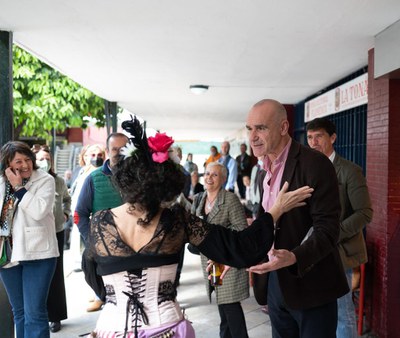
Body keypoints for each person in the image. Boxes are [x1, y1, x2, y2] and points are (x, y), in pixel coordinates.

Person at [84, 116, 313, 338]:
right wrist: (276, 211)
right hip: (167, 330)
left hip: (111, 329)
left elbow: (92, 273)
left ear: (126, 179)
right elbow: (241, 247)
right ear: (167, 183)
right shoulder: (177, 221)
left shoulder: (99, 223)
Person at [245, 99, 349, 338]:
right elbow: (265, 226)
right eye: (249, 128)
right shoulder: (263, 172)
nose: (253, 136)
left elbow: (328, 230)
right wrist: (235, 255)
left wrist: (294, 257)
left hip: (311, 283)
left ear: (283, 128)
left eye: (261, 128)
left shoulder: (315, 164)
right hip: (275, 284)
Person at [306, 117, 373, 338]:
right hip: (312, 251)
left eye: (319, 136)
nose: (313, 142)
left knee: (342, 312)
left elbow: (364, 213)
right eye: (309, 137)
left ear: (333, 138)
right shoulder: (307, 170)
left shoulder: (349, 171)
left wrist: (331, 235)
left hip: (339, 251)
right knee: (317, 310)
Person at [0, 141, 59, 338]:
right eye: (18, 161)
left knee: (34, 313)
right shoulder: (0, 182)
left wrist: (18, 187)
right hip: (7, 254)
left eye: (27, 160)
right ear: (7, 164)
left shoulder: (44, 180)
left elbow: (39, 211)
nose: (25, 165)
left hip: (38, 253)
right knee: (19, 312)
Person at [192, 162, 250, 338]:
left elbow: (241, 229)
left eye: (215, 175)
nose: (209, 177)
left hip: (227, 260)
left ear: (223, 179)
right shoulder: (199, 199)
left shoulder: (230, 199)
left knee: (230, 306)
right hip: (210, 262)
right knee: (223, 307)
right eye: (207, 174)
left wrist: (218, 239)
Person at [75, 132, 129, 312]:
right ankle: (103, 298)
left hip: (134, 247)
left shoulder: (139, 178)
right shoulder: (93, 178)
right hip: (104, 248)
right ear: (107, 151)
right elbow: (80, 214)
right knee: (89, 264)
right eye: (115, 149)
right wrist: (91, 240)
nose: (119, 153)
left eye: (124, 149)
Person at [34, 146, 71, 333]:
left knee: (56, 274)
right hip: (36, 234)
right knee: (39, 276)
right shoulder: (30, 180)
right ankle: (41, 315)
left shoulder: (58, 181)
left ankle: (56, 317)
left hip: (56, 231)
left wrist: (65, 214)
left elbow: (67, 199)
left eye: (47, 158)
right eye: (41, 158)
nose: (44, 161)